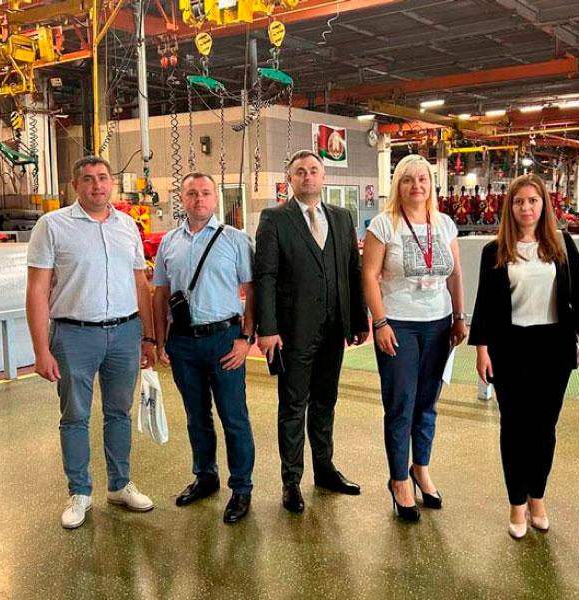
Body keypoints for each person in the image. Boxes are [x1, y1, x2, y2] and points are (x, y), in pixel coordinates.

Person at [25, 156, 156, 529]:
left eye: (102, 177)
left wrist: (148, 336)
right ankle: (80, 492)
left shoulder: (127, 226)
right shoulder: (52, 226)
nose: (96, 185)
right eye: (87, 179)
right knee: (75, 416)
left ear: (111, 182)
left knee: (119, 413)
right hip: (73, 335)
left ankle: (119, 484)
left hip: (125, 333)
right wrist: (41, 350)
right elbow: (36, 290)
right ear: (75, 185)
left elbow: (140, 284)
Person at [469, 174, 579, 539]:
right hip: (510, 348)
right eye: (519, 201)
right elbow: (485, 303)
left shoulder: (562, 245)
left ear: (544, 205)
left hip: (553, 348)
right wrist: (482, 349)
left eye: (533, 201)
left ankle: (537, 497)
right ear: (510, 207)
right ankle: (516, 503)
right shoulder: (495, 250)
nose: (526, 208)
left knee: (544, 429)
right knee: (514, 428)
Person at [254, 149, 369, 513]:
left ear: (324, 177)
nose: (307, 176)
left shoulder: (341, 217)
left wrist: (358, 320)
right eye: (300, 172)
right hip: (293, 331)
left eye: (314, 170)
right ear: (290, 179)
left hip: (334, 329)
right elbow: (265, 276)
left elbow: (352, 270)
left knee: (325, 402)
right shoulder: (274, 219)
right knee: (293, 406)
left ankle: (325, 469)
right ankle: (291, 481)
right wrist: (267, 328)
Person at [362, 154, 466, 522]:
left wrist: (459, 316)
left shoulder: (445, 224)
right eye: (408, 180)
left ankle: (421, 467)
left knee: (427, 403)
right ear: (398, 185)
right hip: (399, 325)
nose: (416, 186)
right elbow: (369, 276)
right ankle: (399, 479)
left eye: (422, 179)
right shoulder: (383, 224)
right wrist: (380, 322)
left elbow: (455, 275)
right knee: (401, 404)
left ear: (431, 185)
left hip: (438, 324)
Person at [152, 172, 256, 524]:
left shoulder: (235, 240)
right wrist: (160, 341)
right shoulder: (169, 243)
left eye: (206, 193)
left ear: (215, 198)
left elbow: (252, 290)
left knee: (233, 416)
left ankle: (241, 487)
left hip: (224, 340)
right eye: (192, 193)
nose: (199, 199)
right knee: (196, 417)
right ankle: (205, 476)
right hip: (182, 343)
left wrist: (246, 339)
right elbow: (161, 294)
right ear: (182, 199)